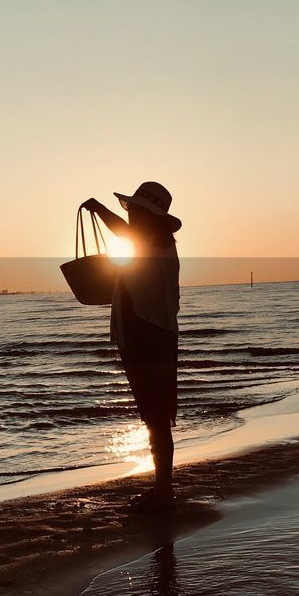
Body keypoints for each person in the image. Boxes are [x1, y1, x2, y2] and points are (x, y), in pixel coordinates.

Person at [81, 181, 181, 511]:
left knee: (155, 419)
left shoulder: (150, 243)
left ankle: (164, 494)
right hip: (154, 337)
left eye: (136, 210)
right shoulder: (158, 243)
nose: (132, 215)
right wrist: (99, 210)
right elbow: (124, 231)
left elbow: (123, 230)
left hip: (146, 338)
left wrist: (99, 209)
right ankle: (162, 489)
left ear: (146, 214)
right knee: (156, 418)